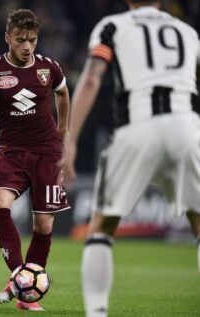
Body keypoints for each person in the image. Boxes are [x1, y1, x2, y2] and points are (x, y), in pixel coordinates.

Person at [63, 1, 200, 316]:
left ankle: (97, 312)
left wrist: (70, 139)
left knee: (101, 226)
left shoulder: (112, 26)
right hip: (187, 127)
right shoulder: (187, 31)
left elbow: (93, 78)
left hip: (136, 129)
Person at [0, 9, 71, 311]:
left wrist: (63, 131)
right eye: (21, 40)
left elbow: (63, 94)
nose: (27, 46)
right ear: (8, 38)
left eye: (32, 40)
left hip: (47, 153)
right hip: (12, 151)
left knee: (43, 225)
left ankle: (21, 291)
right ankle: (21, 282)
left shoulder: (48, 67)